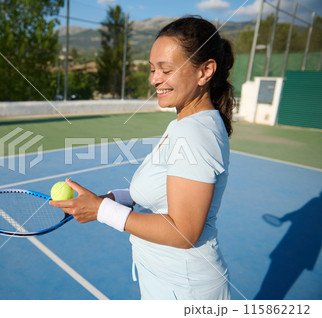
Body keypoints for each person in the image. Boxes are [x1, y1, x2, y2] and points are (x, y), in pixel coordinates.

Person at [50, 16, 234, 300]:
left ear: (205, 71)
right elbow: (160, 192)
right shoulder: (185, 124)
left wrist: (101, 211)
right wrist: (109, 199)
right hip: (166, 281)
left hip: (185, 290)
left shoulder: (195, 133)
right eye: (152, 69)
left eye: (166, 69)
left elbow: (184, 232)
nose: (155, 79)